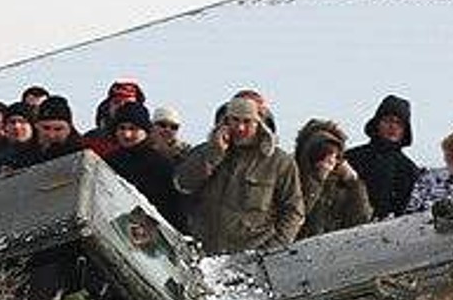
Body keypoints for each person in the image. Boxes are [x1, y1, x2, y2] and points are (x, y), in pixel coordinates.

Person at [174, 94, 304, 252]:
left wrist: (272, 251)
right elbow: (182, 184)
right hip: (204, 255)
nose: (240, 128)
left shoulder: (279, 162)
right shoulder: (204, 151)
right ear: (226, 121)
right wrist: (212, 156)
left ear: (259, 123)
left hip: (251, 258)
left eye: (247, 121)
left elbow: (293, 211)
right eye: (235, 120)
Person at [103, 101, 187, 231]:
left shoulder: (161, 165)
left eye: (133, 129)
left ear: (145, 131)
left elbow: (175, 208)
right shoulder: (107, 161)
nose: (127, 134)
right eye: (122, 128)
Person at [342, 95, 421, 219]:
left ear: (405, 130)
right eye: (388, 120)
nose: (393, 126)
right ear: (377, 123)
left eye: (399, 123)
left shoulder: (409, 170)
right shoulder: (351, 158)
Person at [292, 119, 373, 239]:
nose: (329, 161)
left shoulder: (342, 185)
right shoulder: (292, 177)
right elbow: (296, 217)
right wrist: (317, 180)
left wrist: (354, 183)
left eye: (334, 156)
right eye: (323, 155)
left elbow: (361, 220)